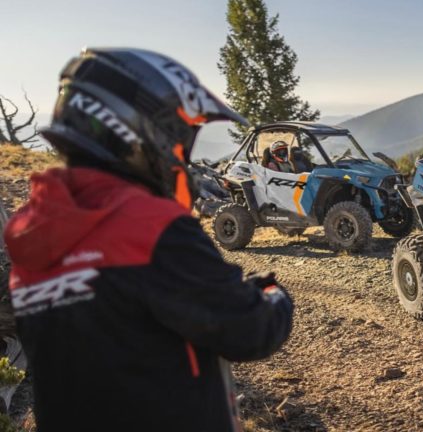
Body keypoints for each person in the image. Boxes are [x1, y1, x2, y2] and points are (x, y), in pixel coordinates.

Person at [2, 48, 293, 431]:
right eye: (179, 137)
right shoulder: (147, 226)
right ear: (136, 128)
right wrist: (274, 296)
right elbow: (247, 329)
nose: (180, 153)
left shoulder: (32, 235)